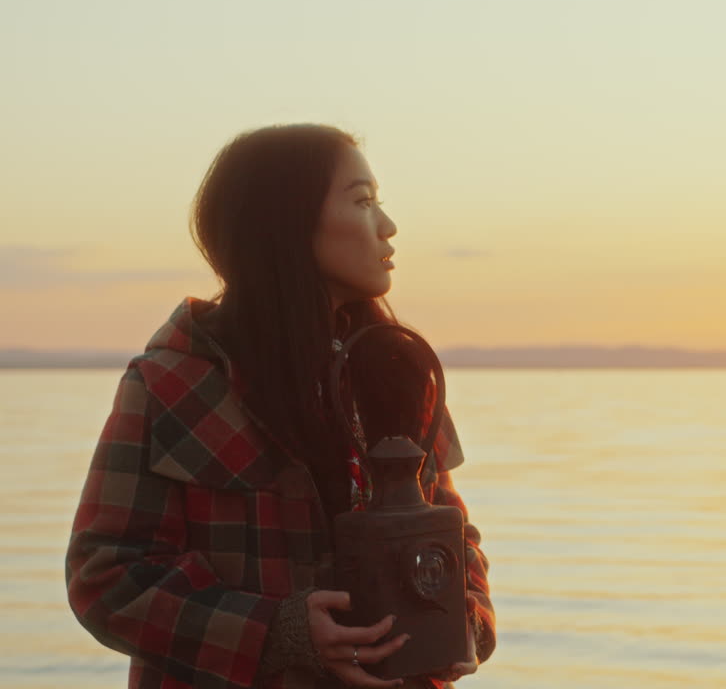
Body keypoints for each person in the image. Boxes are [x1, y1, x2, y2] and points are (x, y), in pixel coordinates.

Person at [65, 124, 496, 689]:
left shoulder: (399, 375)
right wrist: (279, 633)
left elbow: (457, 539)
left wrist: (467, 626)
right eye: (363, 201)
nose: (387, 226)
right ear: (286, 222)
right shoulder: (174, 382)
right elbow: (106, 577)